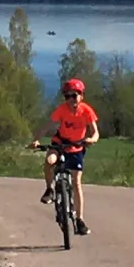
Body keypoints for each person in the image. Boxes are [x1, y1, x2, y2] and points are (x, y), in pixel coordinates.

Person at [38, 78, 101, 234]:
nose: (72, 99)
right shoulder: (62, 109)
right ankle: (49, 189)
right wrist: (36, 139)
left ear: (81, 95)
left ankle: (79, 220)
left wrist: (91, 140)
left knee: (76, 182)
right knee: (49, 160)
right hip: (60, 143)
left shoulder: (87, 111)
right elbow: (48, 125)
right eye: (68, 96)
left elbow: (95, 132)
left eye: (75, 95)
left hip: (77, 147)